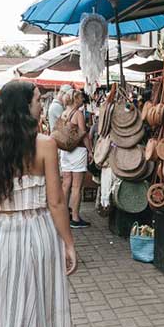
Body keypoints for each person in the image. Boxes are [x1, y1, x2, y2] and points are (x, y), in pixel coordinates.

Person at [0, 81, 75, 327]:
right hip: (39, 231)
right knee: (41, 306)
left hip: (4, 236)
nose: (41, 104)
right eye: (37, 100)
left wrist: (8, 223)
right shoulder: (45, 144)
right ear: (24, 106)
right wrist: (68, 243)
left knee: (6, 308)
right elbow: (56, 202)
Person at [59, 90, 91, 228]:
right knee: (77, 186)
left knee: (66, 184)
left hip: (65, 152)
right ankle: (76, 218)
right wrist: (91, 150)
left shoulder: (64, 112)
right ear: (76, 99)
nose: (83, 99)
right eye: (81, 97)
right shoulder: (78, 114)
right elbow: (83, 135)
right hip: (77, 151)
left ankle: (64, 215)